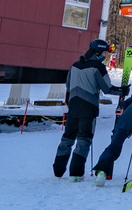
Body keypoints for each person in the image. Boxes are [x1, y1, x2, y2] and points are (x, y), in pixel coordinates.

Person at [53, 40, 124, 177]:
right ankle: (76, 173)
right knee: (83, 140)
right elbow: (107, 88)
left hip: (73, 106)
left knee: (67, 138)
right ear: (98, 52)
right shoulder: (98, 67)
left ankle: (58, 170)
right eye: (104, 53)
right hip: (89, 108)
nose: (105, 56)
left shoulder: (75, 65)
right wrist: (122, 91)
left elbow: (68, 86)